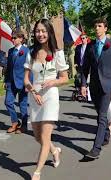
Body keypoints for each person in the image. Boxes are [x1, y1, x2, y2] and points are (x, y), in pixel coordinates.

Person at [23, 18, 69, 180]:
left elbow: (65, 78)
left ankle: (37, 172)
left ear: (49, 32)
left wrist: (53, 81)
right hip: (34, 97)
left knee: (45, 136)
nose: (40, 34)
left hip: (50, 97)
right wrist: (33, 92)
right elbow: (26, 80)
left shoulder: (57, 53)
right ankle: (54, 150)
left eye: (43, 31)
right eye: (37, 31)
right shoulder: (31, 53)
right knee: (37, 136)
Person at [81, 17, 111, 159]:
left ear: (105, 28)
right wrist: (83, 84)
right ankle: (106, 134)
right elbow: (85, 68)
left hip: (107, 86)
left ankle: (95, 149)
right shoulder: (91, 46)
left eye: (100, 26)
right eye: (95, 26)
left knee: (102, 116)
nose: (97, 28)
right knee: (100, 114)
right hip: (94, 86)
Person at [4, 30, 29, 134]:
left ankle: (24, 125)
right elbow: (8, 67)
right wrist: (6, 80)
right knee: (8, 102)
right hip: (11, 82)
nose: (12, 40)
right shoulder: (10, 51)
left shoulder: (27, 51)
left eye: (14, 38)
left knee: (22, 105)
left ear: (21, 39)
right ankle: (15, 122)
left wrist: (28, 83)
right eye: (12, 38)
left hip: (23, 82)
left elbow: (29, 68)